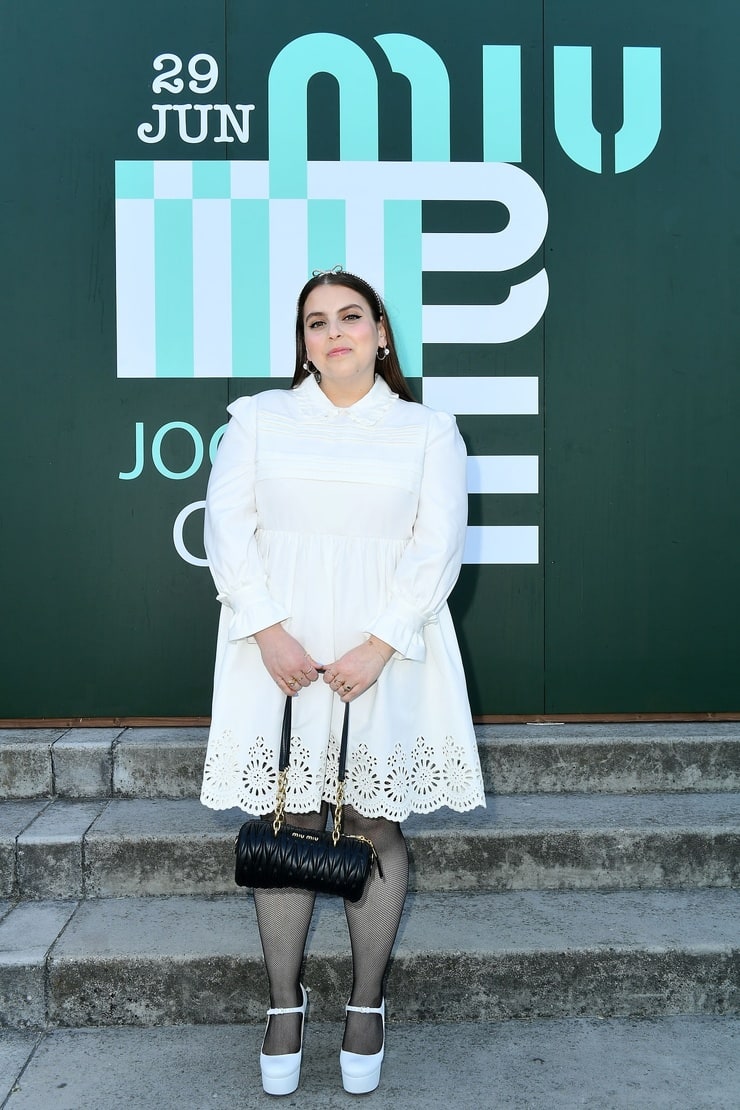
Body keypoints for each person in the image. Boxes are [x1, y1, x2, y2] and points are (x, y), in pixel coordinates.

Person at [200, 267, 486, 1096]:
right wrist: (266, 630)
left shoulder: (429, 431)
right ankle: (283, 1006)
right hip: (276, 653)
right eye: (316, 321)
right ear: (303, 343)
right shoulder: (256, 420)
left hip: (384, 654)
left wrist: (380, 645)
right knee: (283, 815)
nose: (334, 332)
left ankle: (366, 1003)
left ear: (381, 335)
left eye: (351, 317)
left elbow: (437, 548)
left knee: (373, 823)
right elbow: (228, 528)